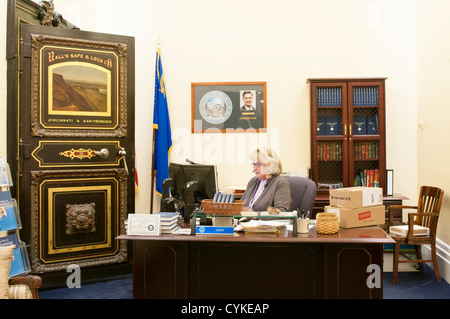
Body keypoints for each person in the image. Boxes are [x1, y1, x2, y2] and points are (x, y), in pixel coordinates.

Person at [241, 148, 291, 212]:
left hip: (266, 222)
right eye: (254, 164)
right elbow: (241, 205)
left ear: (270, 165)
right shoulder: (253, 181)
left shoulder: (281, 183)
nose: (255, 168)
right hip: (246, 221)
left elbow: (281, 211)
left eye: (258, 164)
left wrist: (255, 215)